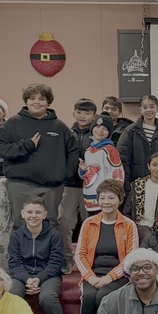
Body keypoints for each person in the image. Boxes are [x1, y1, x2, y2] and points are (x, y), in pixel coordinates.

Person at [0, 83, 77, 225]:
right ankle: (22, 248)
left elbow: (73, 151)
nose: (36, 102)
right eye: (32, 98)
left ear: (48, 102)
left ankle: (49, 249)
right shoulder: (13, 123)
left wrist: (64, 174)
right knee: (21, 224)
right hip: (20, 184)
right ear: (26, 101)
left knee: (49, 223)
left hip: (51, 187)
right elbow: (0, 149)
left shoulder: (59, 126)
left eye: (42, 99)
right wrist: (26, 145)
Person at [74, 180, 138, 314]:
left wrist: (109, 277)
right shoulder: (88, 223)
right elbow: (80, 255)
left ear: (120, 200)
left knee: (103, 296)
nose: (106, 202)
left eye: (111, 198)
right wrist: (90, 277)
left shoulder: (129, 225)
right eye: (102, 198)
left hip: (119, 276)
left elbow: (130, 259)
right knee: (89, 297)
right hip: (93, 273)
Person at [8, 196, 65, 314]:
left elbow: (56, 263)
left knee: (47, 297)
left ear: (44, 215)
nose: (33, 216)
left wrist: (39, 279)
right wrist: (27, 279)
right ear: (23, 214)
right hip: (23, 275)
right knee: (12, 296)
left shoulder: (54, 235)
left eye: (38, 212)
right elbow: (14, 263)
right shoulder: (16, 236)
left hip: (49, 275)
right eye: (29, 212)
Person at [58, 97, 97, 273]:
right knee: (65, 223)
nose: (83, 116)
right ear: (74, 113)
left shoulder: (98, 134)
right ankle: (66, 259)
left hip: (91, 187)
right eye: (79, 112)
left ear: (94, 115)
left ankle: (90, 260)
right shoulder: (67, 133)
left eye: (87, 113)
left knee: (91, 224)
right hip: (69, 186)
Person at [117, 94, 158, 186]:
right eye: (145, 107)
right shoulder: (130, 131)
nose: (148, 110)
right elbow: (123, 159)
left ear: (157, 108)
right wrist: (126, 184)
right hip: (136, 184)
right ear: (140, 109)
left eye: (152, 106)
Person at [79, 114, 125, 212]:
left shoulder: (110, 149)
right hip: (89, 196)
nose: (100, 130)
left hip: (105, 198)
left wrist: (114, 194)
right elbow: (89, 175)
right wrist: (83, 170)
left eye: (105, 129)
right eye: (98, 126)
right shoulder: (88, 150)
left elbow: (117, 172)